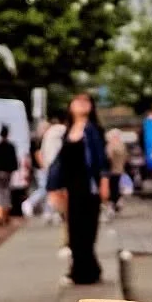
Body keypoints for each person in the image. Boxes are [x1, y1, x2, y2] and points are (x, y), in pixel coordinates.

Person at [46, 92, 108, 286]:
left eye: (86, 101)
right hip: (72, 188)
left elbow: (101, 160)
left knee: (87, 229)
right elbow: (61, 161)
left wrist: (104, 182)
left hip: (88, 186)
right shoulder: (68, 131)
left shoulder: (93, 130)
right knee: (74, 230)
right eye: (77, 101)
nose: (81, 104)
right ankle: (82, 269)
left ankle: (86, 272)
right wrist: (55, 186)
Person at [24, 118, 66, 223]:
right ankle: (30, 203)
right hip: (43, 168)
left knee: (49, 191)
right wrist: (45, 167)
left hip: (45, 168)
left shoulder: (44, 139)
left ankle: (48, 212)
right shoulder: (42, 140)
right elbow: (38, 154)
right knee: (46, 189)